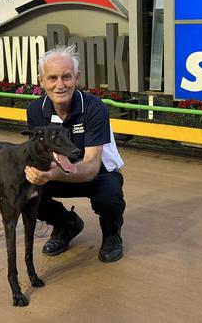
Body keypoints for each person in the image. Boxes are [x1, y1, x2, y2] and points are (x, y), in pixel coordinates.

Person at [24, 44, 125, 262]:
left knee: (109, 198)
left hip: (99, 173)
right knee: (27, 192)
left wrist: (53, 175)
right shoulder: (35, 110)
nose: (60, 85)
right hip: (59, 172)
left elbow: (91, 165)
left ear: (77, 78)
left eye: (66, 77)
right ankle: (66, 224)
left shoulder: (95, 108)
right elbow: (40, 154)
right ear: (42, 81)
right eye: (52, 78)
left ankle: (112, 235)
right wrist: (38, 175)